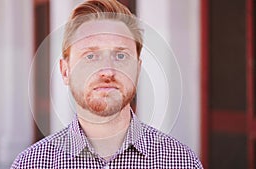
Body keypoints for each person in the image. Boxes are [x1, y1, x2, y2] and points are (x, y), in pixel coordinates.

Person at [11, 0, 203, 168]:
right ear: (65, 71)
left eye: (120, 56)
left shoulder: (182, 162)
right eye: (91, 56)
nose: (107, 71)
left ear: (137, 68)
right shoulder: (31, 164)